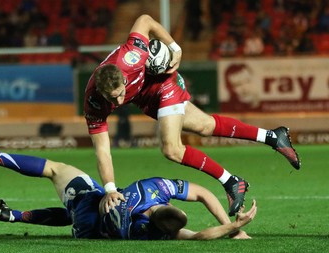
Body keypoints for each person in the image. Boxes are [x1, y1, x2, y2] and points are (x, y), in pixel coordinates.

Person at [83, 14, 300, 217]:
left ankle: (231, 181)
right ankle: (272, 137)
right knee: (205, 126)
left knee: (172, 149)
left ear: (123, 77)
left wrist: (174, 48)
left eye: (120, 93)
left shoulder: (132, 56)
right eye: (112, 98)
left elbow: (145, 19)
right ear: (100, 92)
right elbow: (102, 148)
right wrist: (110, 188)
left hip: (163, 84)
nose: (119, 102)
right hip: (144, 97)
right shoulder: (93, 103)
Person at [0, 127, 257, 240]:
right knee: (71, 213)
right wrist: (233, 228)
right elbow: (198, 236)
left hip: (91, 206)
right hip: (86, 231)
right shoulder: (151, 234)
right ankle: (14, 216)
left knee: (55, 169)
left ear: (163, 205)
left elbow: (205, 193)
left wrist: (234, 226)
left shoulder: (150, 189)